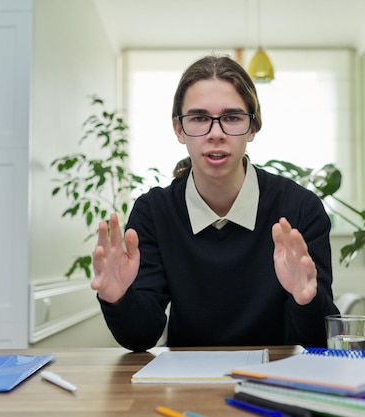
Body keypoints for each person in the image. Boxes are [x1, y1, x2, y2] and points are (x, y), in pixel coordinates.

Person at [91, 54, 339, 352]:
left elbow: (320, 339)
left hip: (276, 382)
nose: (216, 134)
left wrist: (306, 299)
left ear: (253, 128)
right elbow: (141, 338)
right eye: (199, 119)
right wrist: (117, 298)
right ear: (179, 129)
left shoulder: (300, 209)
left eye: (232, 118)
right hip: (183, 385)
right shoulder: (153, 212)